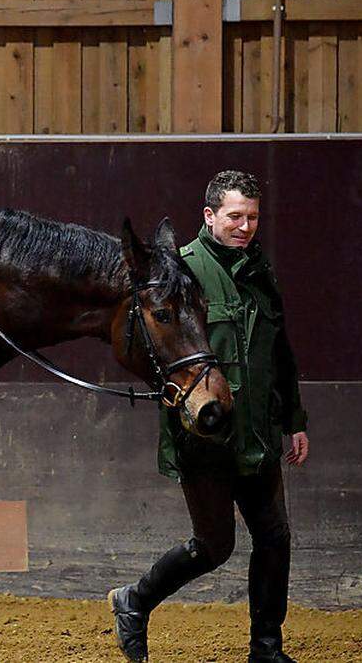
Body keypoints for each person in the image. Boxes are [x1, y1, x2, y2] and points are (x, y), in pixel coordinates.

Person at [109, 170, 311, 663]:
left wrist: (295, 419)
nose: (245, 226)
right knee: (214, 546)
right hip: (206, 436)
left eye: (253, 217)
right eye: (235, 216)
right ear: (210, 216)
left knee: (274, 538)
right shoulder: (182, 270)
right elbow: (161, 349)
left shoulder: (261, 271)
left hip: (259, 431)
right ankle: (134, 600)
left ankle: (266, 648)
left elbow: (279, 352)